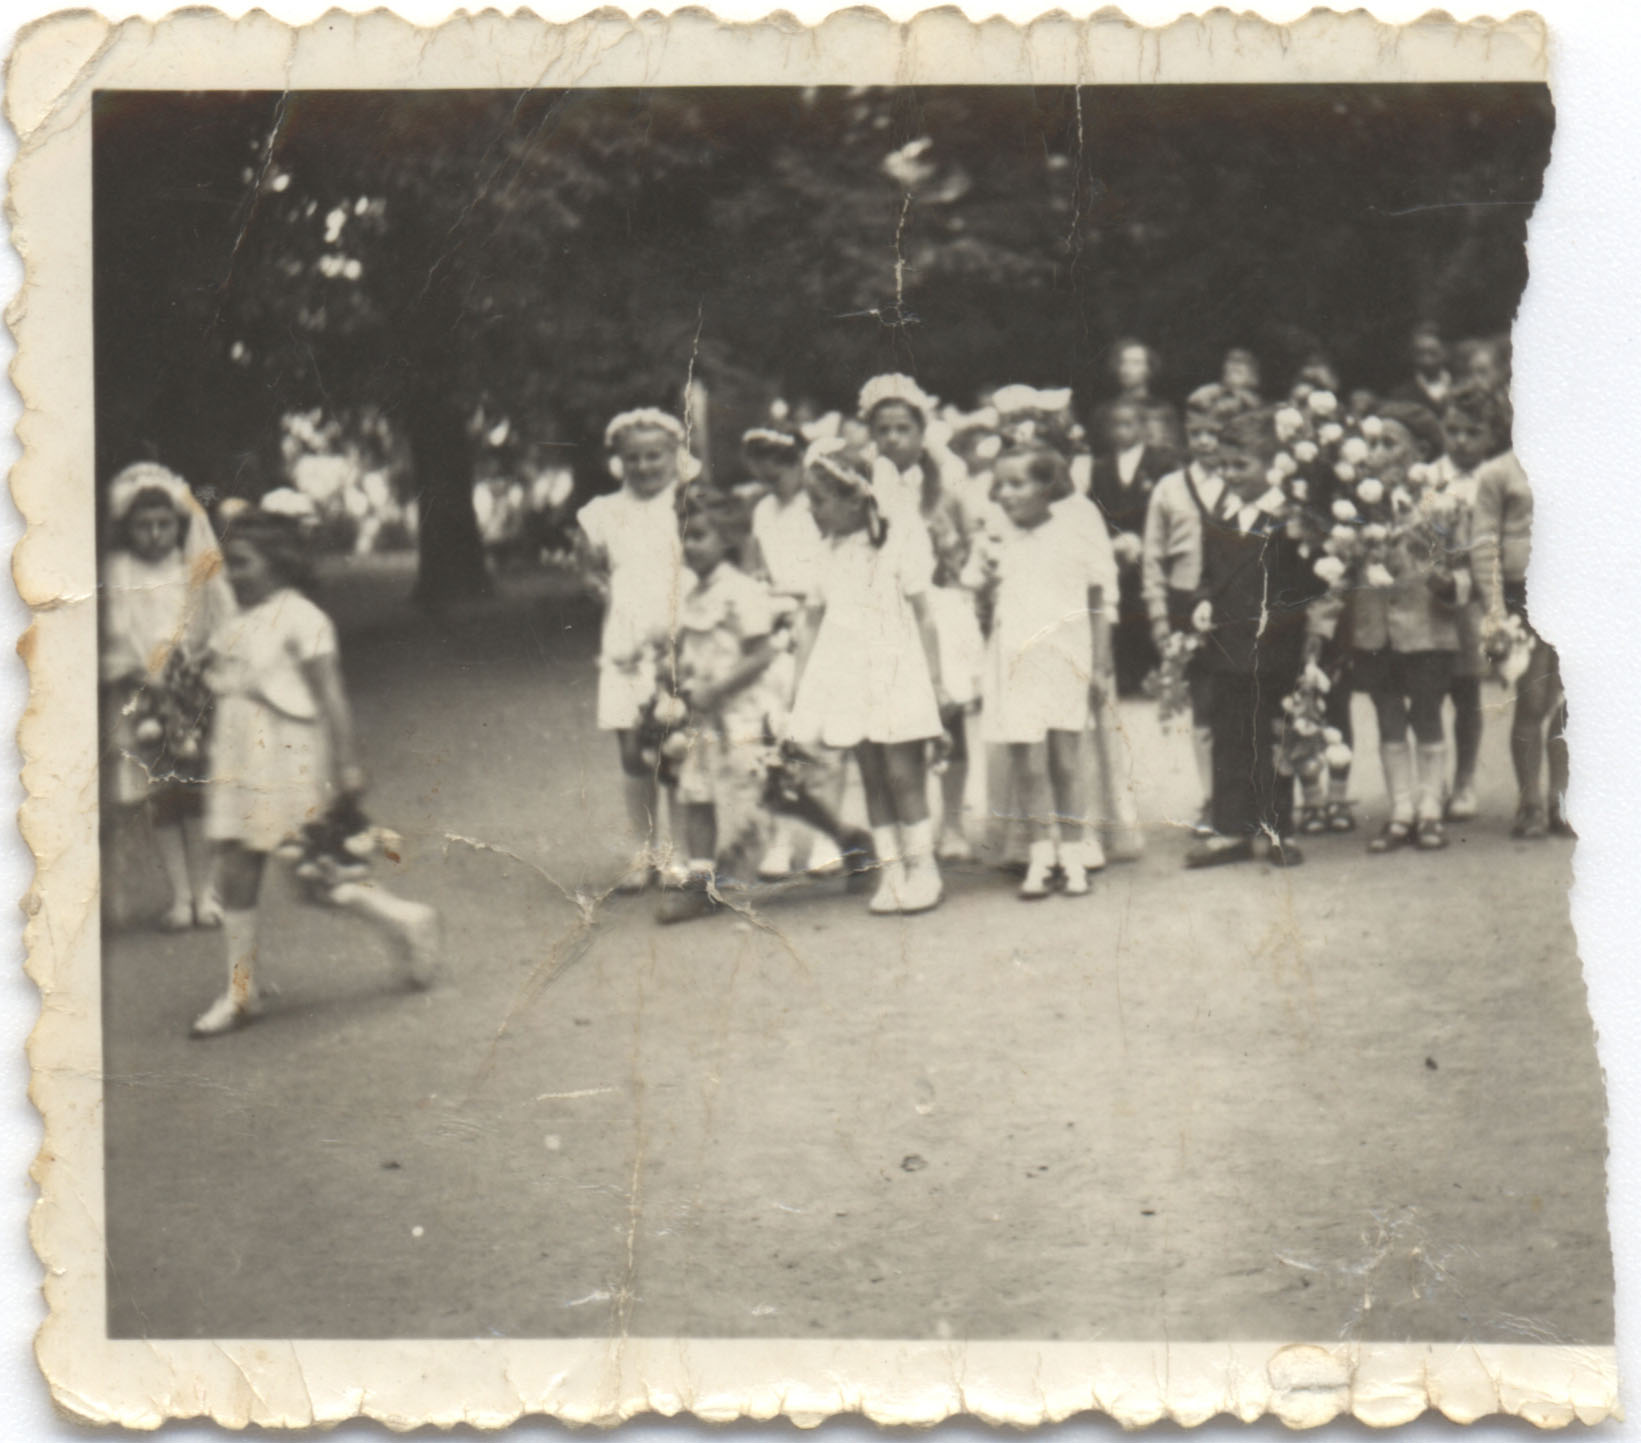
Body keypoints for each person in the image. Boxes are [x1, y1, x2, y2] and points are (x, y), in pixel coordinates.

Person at [189, 493, 440, 1036]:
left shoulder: (305, 618)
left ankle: (406, 920)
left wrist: (347, 765)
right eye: (229, 563)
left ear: (280, 563)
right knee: (236, 862)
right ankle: (241, 991)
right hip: (237, 754)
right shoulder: (231, 620)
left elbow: (331, 694)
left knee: (314, 874)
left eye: (244, 563)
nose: (232, 574)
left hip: (287, 756)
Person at [788, 441, 948, 915]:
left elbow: (925, 614)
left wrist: (936, 681)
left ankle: (924, 870)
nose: (811, 510)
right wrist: (800, 685)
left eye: (819, 500)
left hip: (897, 670)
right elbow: (811, 620)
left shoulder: (897, 542)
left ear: (855, 500)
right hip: (847, 674)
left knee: (902, 774)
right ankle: (892, 871)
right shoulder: (825, 552)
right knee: (872, 776)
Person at [966, 444, 1112, 898]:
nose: (1006, 494)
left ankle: (1073, 854)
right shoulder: (994, 537)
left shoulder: (1074, 533)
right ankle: (1040, 854)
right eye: (1000, 484)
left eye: (1018, 483)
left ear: (1047, 486)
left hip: (1065, 659)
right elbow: (975, 595)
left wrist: (1100, 665)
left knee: (1066, 761)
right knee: (1027, 763)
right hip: (1014, 662)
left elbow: (1097, 601)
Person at [100, 462, 238, 930]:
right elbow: (113, 638)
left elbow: (213, 623)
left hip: (190, 692)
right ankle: (180, 897)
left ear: (177, 526)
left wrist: (194, 671)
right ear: (127, 528)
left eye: (164, 524)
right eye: (144, 526)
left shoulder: (189, 569)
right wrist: (140, 675)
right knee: (162, 797)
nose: (156, 534)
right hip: (143, 695)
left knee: (198, 793)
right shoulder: (118, 572)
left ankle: (206, 893)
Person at [1187, 409, 1324, 868]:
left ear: (1270, 464)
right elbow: (1208, 574)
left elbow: (1306, 585)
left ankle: (1278, 828)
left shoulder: (1289, 518)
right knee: (1231, 737)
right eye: (1223, 465)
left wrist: (1292, 630)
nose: (1229, 474)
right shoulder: (1219, 515)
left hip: (1275, 649)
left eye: (1240, 464)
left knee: (1275, 739)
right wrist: (1203, 600)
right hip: (1227, 647)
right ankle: (1230, 830)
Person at [1326, 401, 1463, 853]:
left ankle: (1430, 810)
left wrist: (1447, 582)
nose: (1377, 452)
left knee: (1426, 713)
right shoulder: (1354, 504)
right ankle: (1401, 810)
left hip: (1425, 627)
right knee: (1387, 714)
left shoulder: (1439, 501)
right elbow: (1340, 569)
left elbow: (1462, 565)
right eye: (1373, 443)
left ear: (1418, 450)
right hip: (1374, 626)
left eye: (1389, 443)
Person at [858, 373, 981, 860]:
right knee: (898, 721)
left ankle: (952, 824)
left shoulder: (945, 483)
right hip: (888, 612)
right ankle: (913, 826)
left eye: (902, 429)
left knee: (948, 714)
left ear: (922, 431)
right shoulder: (864, 486)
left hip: (938, 608)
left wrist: (958, 571)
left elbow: (973, 541)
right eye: (883, 430)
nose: (892, 438)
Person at [575, 408, 694, 892]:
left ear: (674, 455)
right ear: (618, 461)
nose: (644, 466)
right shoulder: (602, 512)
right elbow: (588, 566)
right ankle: (643, 848)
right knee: (632, 747)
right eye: (633, 458)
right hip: (626, 635)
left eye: (654, 456)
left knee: (676, 746)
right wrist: (596, 584)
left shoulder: (688, 503)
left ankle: (680, 852)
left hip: (677, 633)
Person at [655, 502, 782, 923]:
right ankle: (701, 882)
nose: (689, 546)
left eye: (699, 536)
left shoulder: (743, 590)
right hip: (705, 715)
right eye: (684, 536)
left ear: (726, 539)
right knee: (697, 790)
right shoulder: (692, 595)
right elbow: (691, 652)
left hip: (743, 711)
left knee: (769, 791)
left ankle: (850, 840)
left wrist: (718, 689)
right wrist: (674, 677)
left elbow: (761, 654)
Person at [1141, 384, 1256, 830]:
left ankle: (1251, 796)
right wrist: (1158, 615)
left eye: (1216, 432)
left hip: (1238, 604)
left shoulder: (1246, 482)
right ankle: (1213, 799)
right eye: (1198, 432)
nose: (1206, 442)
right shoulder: (1170, 488)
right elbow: (1153, 558)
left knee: (1244, 701)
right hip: (1186, 603)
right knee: (1204, 705)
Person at [741, 425, 843, 880]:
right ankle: (780, 838)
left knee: (822, 735)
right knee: (774, 732)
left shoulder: (817, 504)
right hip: (777, 624)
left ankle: (827, 838)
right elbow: (755, 566)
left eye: (780, 467)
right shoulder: (764, 510)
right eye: (762, 470)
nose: (771, 478)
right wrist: (760, 593)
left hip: (819, 620)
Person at [1472, 410, 1570, 839]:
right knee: (1533, 701)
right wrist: (1495, 609)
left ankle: (1561, 801)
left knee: (1572, 702)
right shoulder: (1499, 473)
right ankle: (1530, 804)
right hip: (1523, 598)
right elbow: (1484, 544)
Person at [1437, 383, 1507, 820]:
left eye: (1472, 432)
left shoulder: (1492, 481)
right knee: (1427, 691)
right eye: (1453, 430)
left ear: (1491, 436)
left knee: (1466, 691)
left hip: (1471, 599)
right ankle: (1432, 781)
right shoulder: (1428, 476)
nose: (1461, 440)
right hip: (1432, 595)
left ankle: (1464, 780)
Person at [1090, 398, 1171, 695]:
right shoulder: (1101, 466)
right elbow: (1097, 507)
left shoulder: (1160, 463)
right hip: (1115, 547)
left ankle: (1151, 674)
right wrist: (1113, 540)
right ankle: (1124, 675)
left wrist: (1141, 539)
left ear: (1142, 426)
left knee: (1144, 605)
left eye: (1128, 424)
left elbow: (1162, 506)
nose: (1121, 431)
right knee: (1118, 606)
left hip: (1149, 544)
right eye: (1115, 425)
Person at [1390, 320, 1455, 412]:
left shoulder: (1462, 385)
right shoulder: (1401, 396)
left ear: (1445, 352)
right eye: (1420, 354)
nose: (1426, 361)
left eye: (1433, 353)